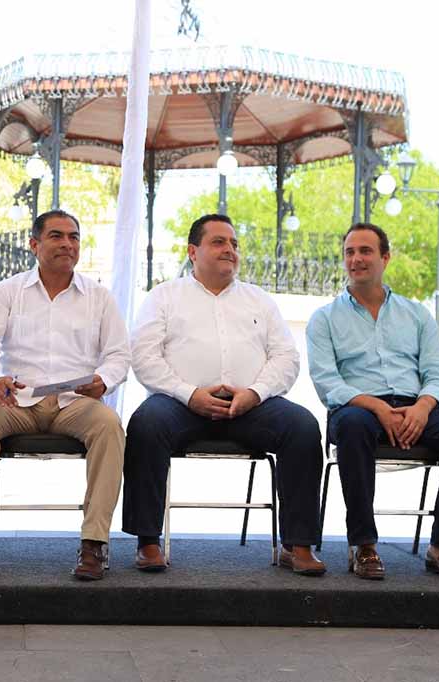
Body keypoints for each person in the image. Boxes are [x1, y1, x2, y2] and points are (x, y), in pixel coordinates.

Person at [123, 214, 326, 575]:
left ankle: (297, 545)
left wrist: (255, 393)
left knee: (303, 426)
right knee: (145, 423)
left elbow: (286, 357)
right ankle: (148, 541)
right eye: (218, 242)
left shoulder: (258, 300)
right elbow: (144, 357)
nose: (230, 250)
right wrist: (189, 394)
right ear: (193, 252)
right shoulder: (164, 297)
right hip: (180, 404)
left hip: (250, 406)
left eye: (234, 243)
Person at [307, 222, 439, 582]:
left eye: (366, 251)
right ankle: (364, 544)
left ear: (385, 258)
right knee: (353, 425)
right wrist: (376, 407)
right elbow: (327, 382)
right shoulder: (324, 318)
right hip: (358, 408)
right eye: (349, 252)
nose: (356, 259)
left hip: (415, 407)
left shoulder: (416, 314)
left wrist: (422, 407)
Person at [0, 209, 129, 581]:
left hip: (75, 403)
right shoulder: (9, 291)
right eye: (56, 236)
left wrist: (103, 381)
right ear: (34, 245)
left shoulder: (99, 297)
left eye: (73, 237)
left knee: (110, 425)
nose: (67, 244)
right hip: (16, 401)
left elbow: (119, 354)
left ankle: (94, 543)